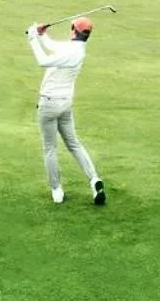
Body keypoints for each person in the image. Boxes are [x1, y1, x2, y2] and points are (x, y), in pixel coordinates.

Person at [25, 17, 106, 205]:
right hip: (65, 105)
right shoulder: (76, 48)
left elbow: (43, 61)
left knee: (50, 148)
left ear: (73, 30)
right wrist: (42, 35)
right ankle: (94, 180)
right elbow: (53, 46)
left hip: (49, 105)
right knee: (74, 144)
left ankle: (56, 190)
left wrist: (32, 38)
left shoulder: (73, 53)